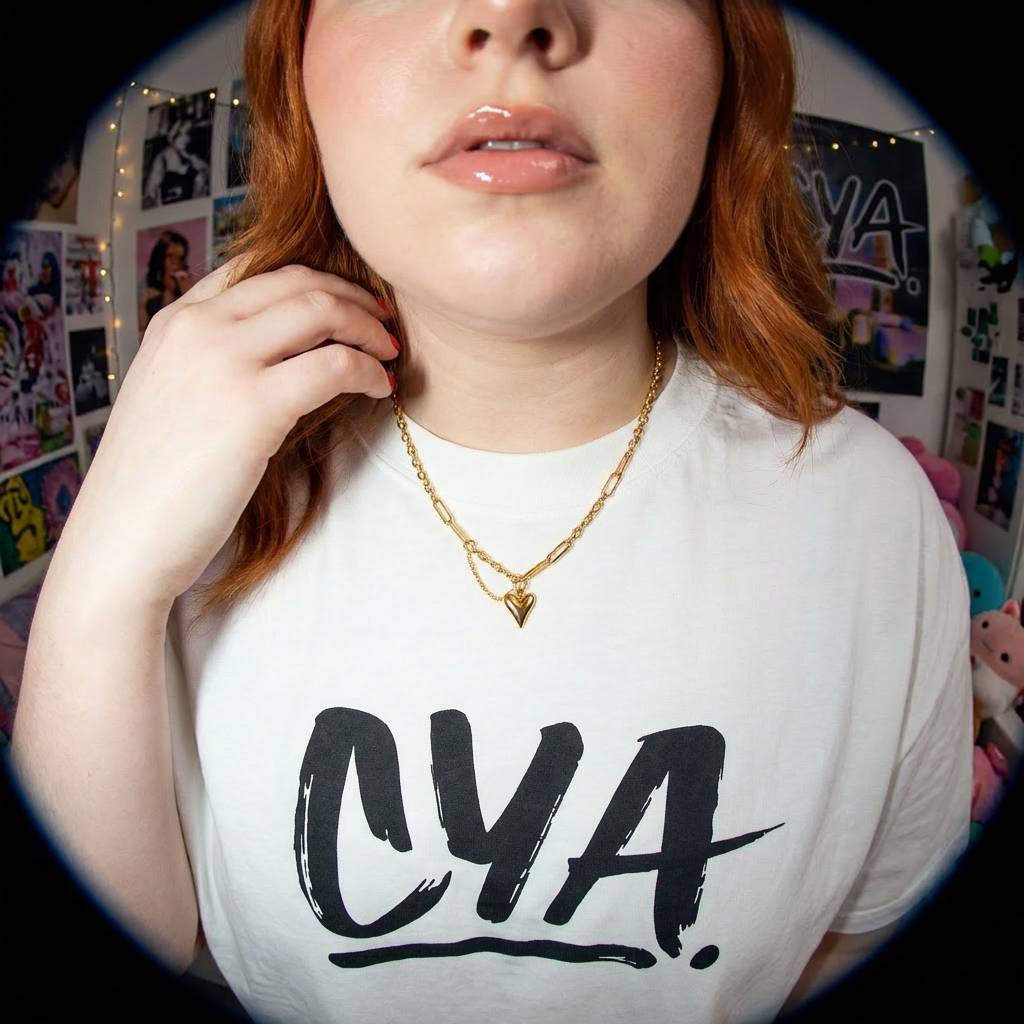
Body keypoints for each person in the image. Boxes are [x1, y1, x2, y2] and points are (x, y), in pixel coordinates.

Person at [9, 2, 972, 1023]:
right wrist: (102, 575)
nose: (510, 14)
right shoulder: (190, 500)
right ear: (298, 78)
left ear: (727, 67)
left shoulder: (874, 517)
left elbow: (863, 934)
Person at [139, 230, 195, 331]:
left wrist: (189, 292)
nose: (175, 263)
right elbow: (143, 331)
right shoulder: (148, 291)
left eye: (180, 258)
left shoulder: (185, 285)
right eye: (171, 257)